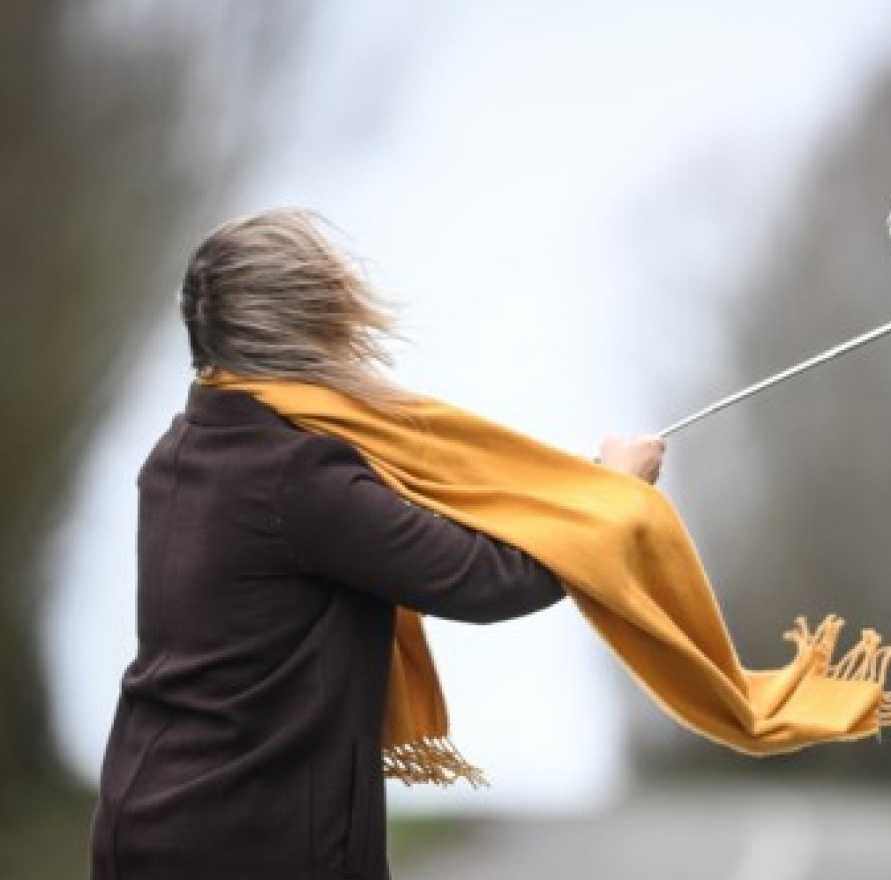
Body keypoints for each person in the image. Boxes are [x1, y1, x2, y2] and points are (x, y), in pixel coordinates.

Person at [88, 208, 665, 880]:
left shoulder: (179, 451)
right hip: (253, 843)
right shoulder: (296, 477)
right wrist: (617, 495)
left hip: (143, 820)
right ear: (308, 327)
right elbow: (489, 579)